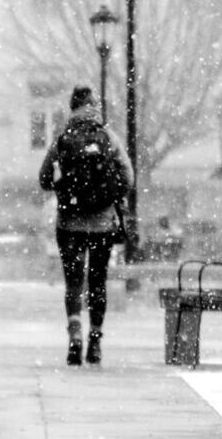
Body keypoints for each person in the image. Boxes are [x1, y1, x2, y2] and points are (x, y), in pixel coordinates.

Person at [37, 85, 133, 366]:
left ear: (72, 108)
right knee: (98, 282)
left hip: (69, 224)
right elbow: (128, 176)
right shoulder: (108, 137)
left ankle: (75, 336)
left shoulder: (63, 138)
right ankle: (95, 340)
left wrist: (63, 187)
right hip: (102, 224)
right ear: (94, 106)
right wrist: (111, 196)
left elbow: (43, 179)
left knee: (74, 283)